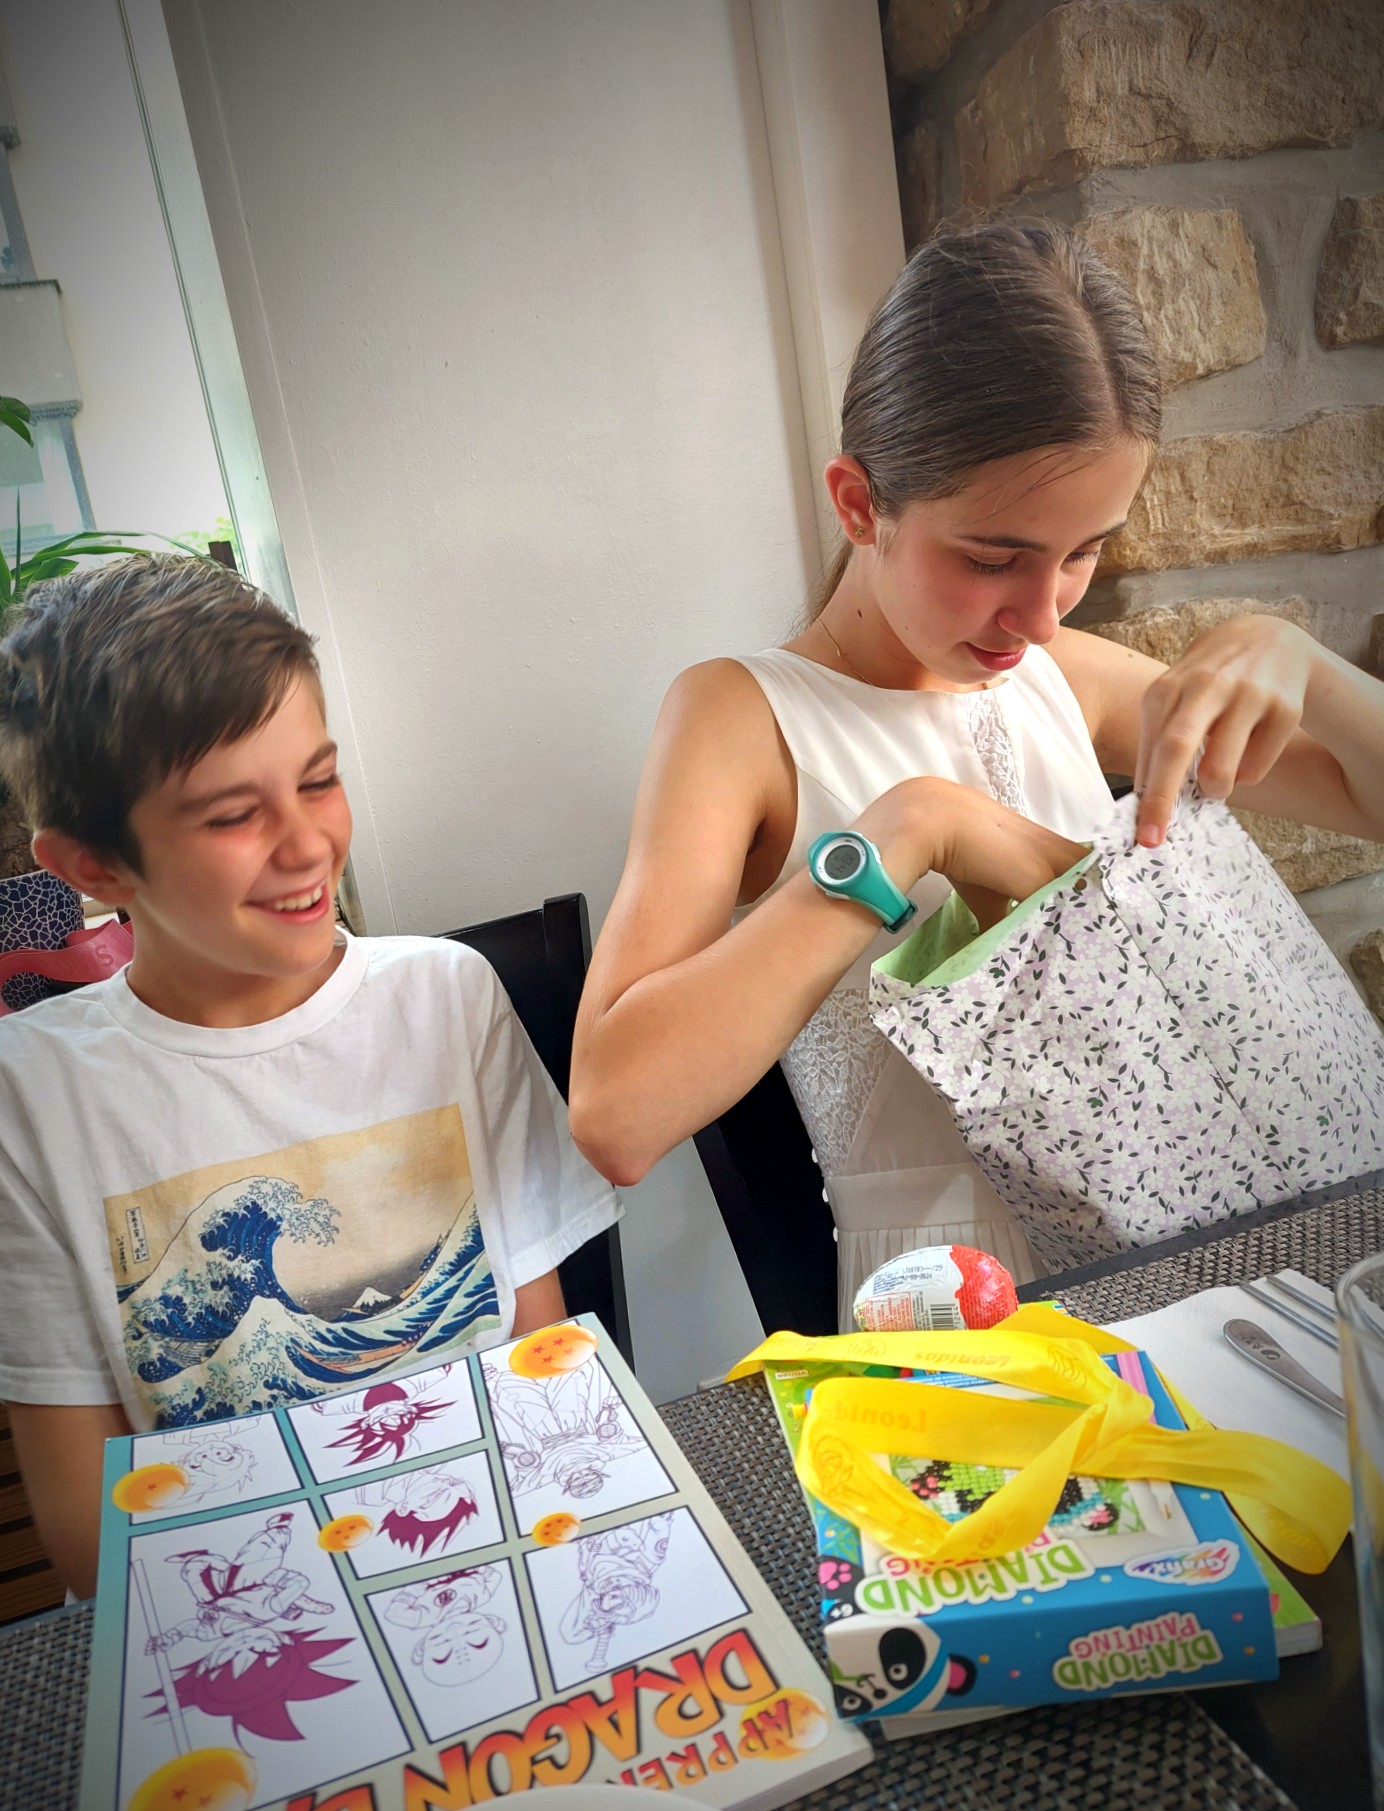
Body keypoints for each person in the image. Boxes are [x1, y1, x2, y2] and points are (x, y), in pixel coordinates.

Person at [569, 221, 1384, 1325]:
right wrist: (908, 830)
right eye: (993, 558)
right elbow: (615, 1115)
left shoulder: (1061, 680)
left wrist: (1313, 669)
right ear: (859, 502)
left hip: (1168, 1268)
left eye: (1086, 551)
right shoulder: (741, 719)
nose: (1042, 613)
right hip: (952, 1329)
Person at [0, 554, 620, 1596]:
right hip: (233, 1608)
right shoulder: (32, 1094)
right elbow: (87, 1533)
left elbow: (540, 1358)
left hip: (503, 1548)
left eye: (319, 779)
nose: (306, 844)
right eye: (232, 814)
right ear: (93, 867)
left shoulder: (446, 997)